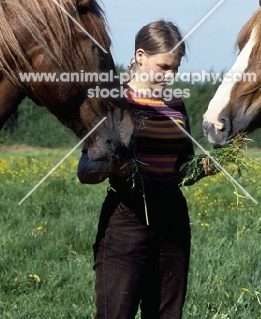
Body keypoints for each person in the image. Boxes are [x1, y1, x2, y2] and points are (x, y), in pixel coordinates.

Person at [78, 20, 212, 319]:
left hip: (173, 217)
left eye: (175, 69)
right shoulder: (114, 103)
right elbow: (85, 169)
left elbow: (183, 167)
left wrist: (202, 168)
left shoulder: (175, 104)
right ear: (140, 56)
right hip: (127, 219)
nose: (170, 76)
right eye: (163, 67)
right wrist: (114, 167)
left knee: (167, 314)